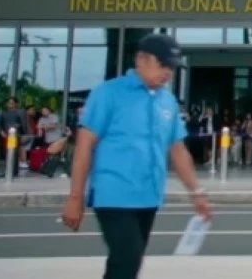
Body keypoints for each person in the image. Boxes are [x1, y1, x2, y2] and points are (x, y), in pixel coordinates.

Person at [61, 33, 212, 279]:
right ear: (142, 59)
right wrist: (75, 197)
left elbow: (178, 150)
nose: (168, 73)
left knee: (128, 264)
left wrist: (197, 193)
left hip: (148, 196)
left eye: (172, 67)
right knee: (127, 258)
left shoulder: (167, 101)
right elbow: (84, 145)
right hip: (114, 193)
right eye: (163, 65)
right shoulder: (109, 93)